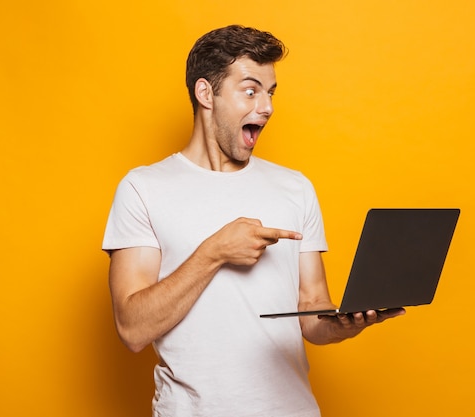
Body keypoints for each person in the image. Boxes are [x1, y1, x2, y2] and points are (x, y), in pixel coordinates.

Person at [102, 24, 405, 417]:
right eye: (251, 90)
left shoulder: (294, 188)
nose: (267, 107)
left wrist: (343, 323)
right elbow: (132, 329)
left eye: (271, 92)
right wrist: (214, 252)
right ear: (205, 93)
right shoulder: (143, 188)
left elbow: (312, 310)